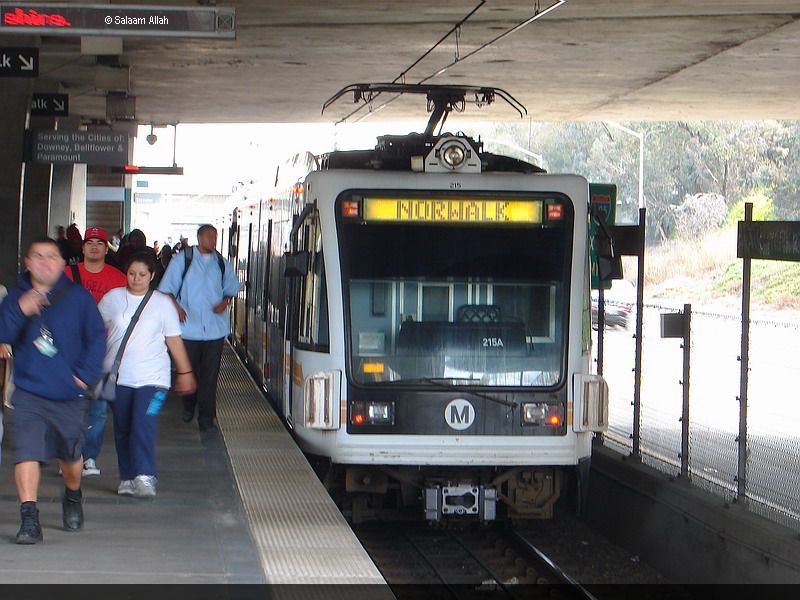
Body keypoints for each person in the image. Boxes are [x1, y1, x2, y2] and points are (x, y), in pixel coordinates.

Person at [0, 237, 105, 544]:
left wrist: (84, 376)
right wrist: (21, 308)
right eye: (38, 256)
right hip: (29, 391)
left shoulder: (79, 298)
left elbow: (97, 338)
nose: (45, 262)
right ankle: (29, 519)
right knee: (26, 452)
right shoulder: (14, 297)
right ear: (27, 262)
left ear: (62, 264)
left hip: (67, 392)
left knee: (70, 456)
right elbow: (3, 335)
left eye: (51, 257)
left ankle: (72, 494)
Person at [98, 252, 196, 497]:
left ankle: (145, 475)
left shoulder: (162, 303)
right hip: (117, 378)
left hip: (154, 380)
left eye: (142, 274)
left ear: (152, 276)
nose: (136, 279)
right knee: (122, 427)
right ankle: (127, 477)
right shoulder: (112, 299)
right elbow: (94, 329)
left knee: (144, 422)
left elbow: (174, 341)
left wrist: (185, 372)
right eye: (131, 274)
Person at [158, 224, 238, 432]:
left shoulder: (222, 263)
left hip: (215, 329)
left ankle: (206, 418)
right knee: (189, 370)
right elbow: (166, 290)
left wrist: (225, 302)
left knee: (210, 375)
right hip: (188, 329)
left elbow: (231, 288)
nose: (213, 241)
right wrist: (176, 308)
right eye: (210, 237)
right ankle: (188, 404)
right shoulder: (183, 260)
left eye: (215, 237)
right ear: (199, 238)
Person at [65, 226, 127, 478]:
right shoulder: (66, 274)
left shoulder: (118, 278)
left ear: (106, 248)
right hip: (70, 352)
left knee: (99, 410)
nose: (94, 246)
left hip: (104, 353)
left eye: (99, 243)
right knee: (69, 406)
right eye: (89, 242)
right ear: (82, 247)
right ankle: (70, 456)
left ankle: (89, 457)